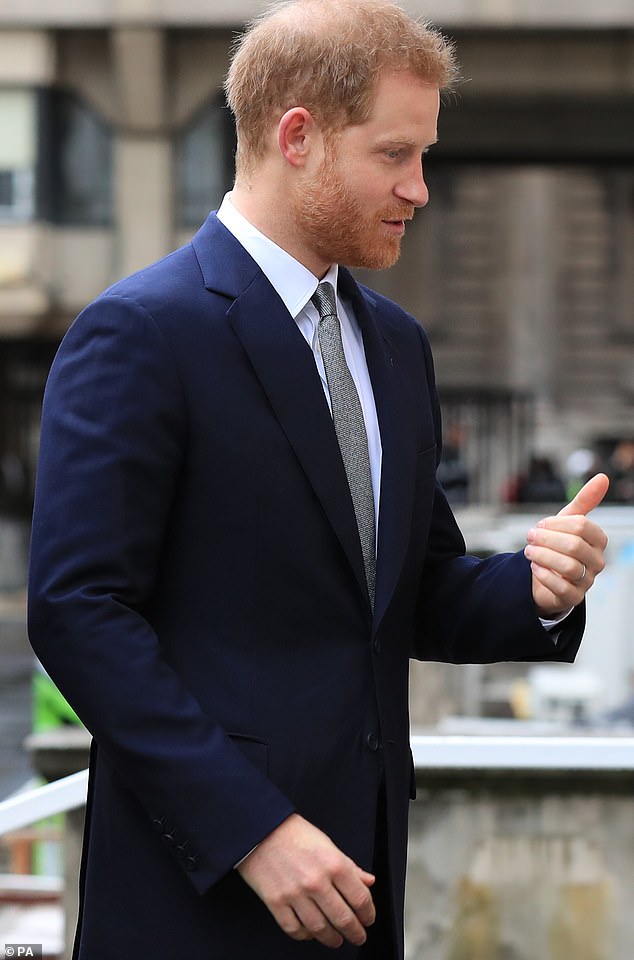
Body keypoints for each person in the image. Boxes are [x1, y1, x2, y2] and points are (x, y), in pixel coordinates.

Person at [27, 1, 609, 958]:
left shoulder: (397, 344)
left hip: (361, 887)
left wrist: (537, 588)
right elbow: (78, 614)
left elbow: (404, 593)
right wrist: (254, 831)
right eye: (395, 154)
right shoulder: (141, 332)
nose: (420, 188)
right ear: (297, 137)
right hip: (197, 897)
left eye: (424, 155)